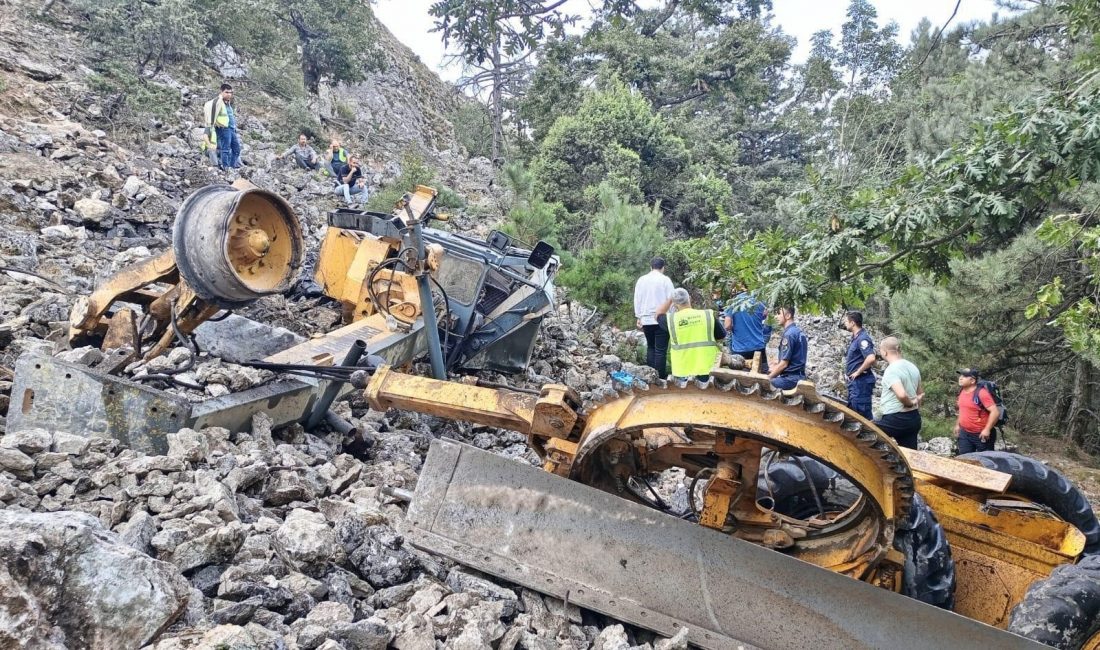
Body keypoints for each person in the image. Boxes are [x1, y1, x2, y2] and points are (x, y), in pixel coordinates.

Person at [655, 288, 725, 381]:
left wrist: (670, 299)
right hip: (708, 368)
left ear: (674, 304)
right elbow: (721, 336)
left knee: (686, 395)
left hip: (682, 370)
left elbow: (658, 314)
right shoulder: (707, 315)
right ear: (690, 299)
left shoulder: (671, 320)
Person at [872, 337, 924, 449]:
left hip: (895, 418)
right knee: (909, 455)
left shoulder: (892, 370)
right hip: (913, 418)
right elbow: (920, 394)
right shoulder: (912, 367)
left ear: (884, 352)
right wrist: (914, 408)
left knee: (866, 434)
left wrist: (909, 403)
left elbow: (901, 395)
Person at [633, 257, 675, 375]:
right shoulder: (665, 280)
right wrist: (672, 316)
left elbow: (637, 299)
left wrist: (638, 316)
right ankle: (660, 378)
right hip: (662, 319)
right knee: (661, 350)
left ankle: (650, 376)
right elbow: (671, 299)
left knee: (650, 347)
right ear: (663, 268)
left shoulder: (641, 280)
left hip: (646, 319)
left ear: (650, 267)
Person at [723, 281, 771, 374]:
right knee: (763, 375)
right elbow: (766, 317)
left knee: (739, 376)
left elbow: (727, 325)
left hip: (739, 348)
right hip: (758, 346)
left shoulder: (733, 302)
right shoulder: (760, 301)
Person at [955, 367, 1000, 454]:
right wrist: (958, 425)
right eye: (960, 375)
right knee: (965, 459)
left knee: (985, 461)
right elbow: (963, 410)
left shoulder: (982, 393)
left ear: (972, 381)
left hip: (981, 435)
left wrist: (987, 429)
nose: (960, 378)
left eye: (964, 376)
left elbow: (995, 412)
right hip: (965, 433)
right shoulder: (962, 391)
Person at [842, 311, 877, 420]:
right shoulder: (855, 338)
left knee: (861, 415)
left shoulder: (862, 338)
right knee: (854, 413)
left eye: (846, 321)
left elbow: (871, 358)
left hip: (861, 382)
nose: (845, 324)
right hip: (855, 383)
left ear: (852, 323)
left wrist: (858, 372)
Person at [766, 305, 807, 390]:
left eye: (778, 314)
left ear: (788, 316)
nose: (776, 317)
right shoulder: (798, 332)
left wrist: (768, 378)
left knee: (764, 384)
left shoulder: (789, 335)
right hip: (799, 376)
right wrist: (775, 364)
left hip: (791, 379)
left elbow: (784, 364)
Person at [204, 83, 241, 170]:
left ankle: (231, 167)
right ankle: (226, 168)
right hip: (224, 129)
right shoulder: (218, 102)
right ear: (221, 92)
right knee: (226, 149)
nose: (229, 94)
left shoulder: (228, 103)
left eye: (230, 92)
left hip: (232, 129)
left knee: (236, 150)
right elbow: (212, 116)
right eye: (227, 92)